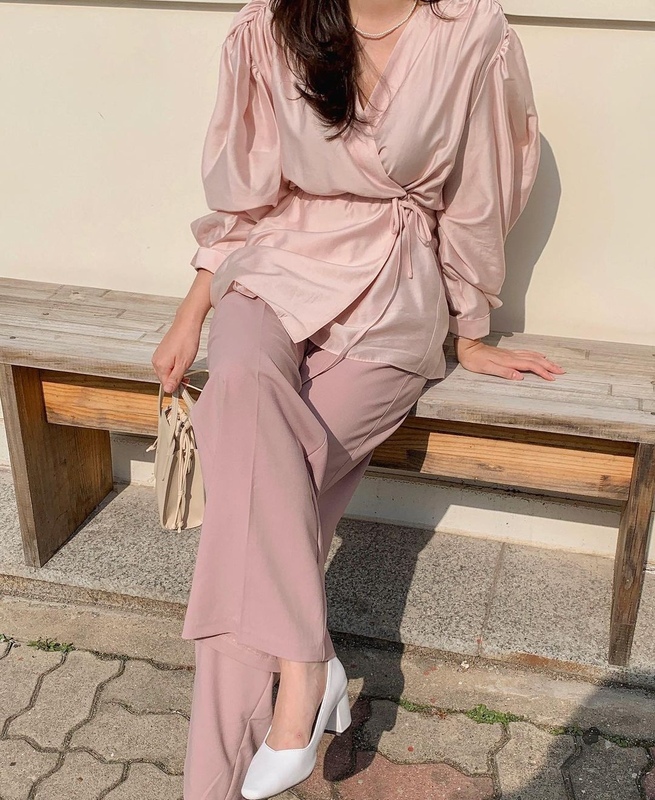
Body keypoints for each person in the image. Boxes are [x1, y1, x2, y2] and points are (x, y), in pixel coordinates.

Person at [151, 0, 564, 797]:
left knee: (249, 509)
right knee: (237, 389)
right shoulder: (269, 23)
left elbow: (477, 194)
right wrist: (191, 311)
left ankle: (211, 782)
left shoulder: (470, 32)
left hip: (394, 288)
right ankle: (307, 667)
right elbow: (246, 199)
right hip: (275, 266)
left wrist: (469, 327)